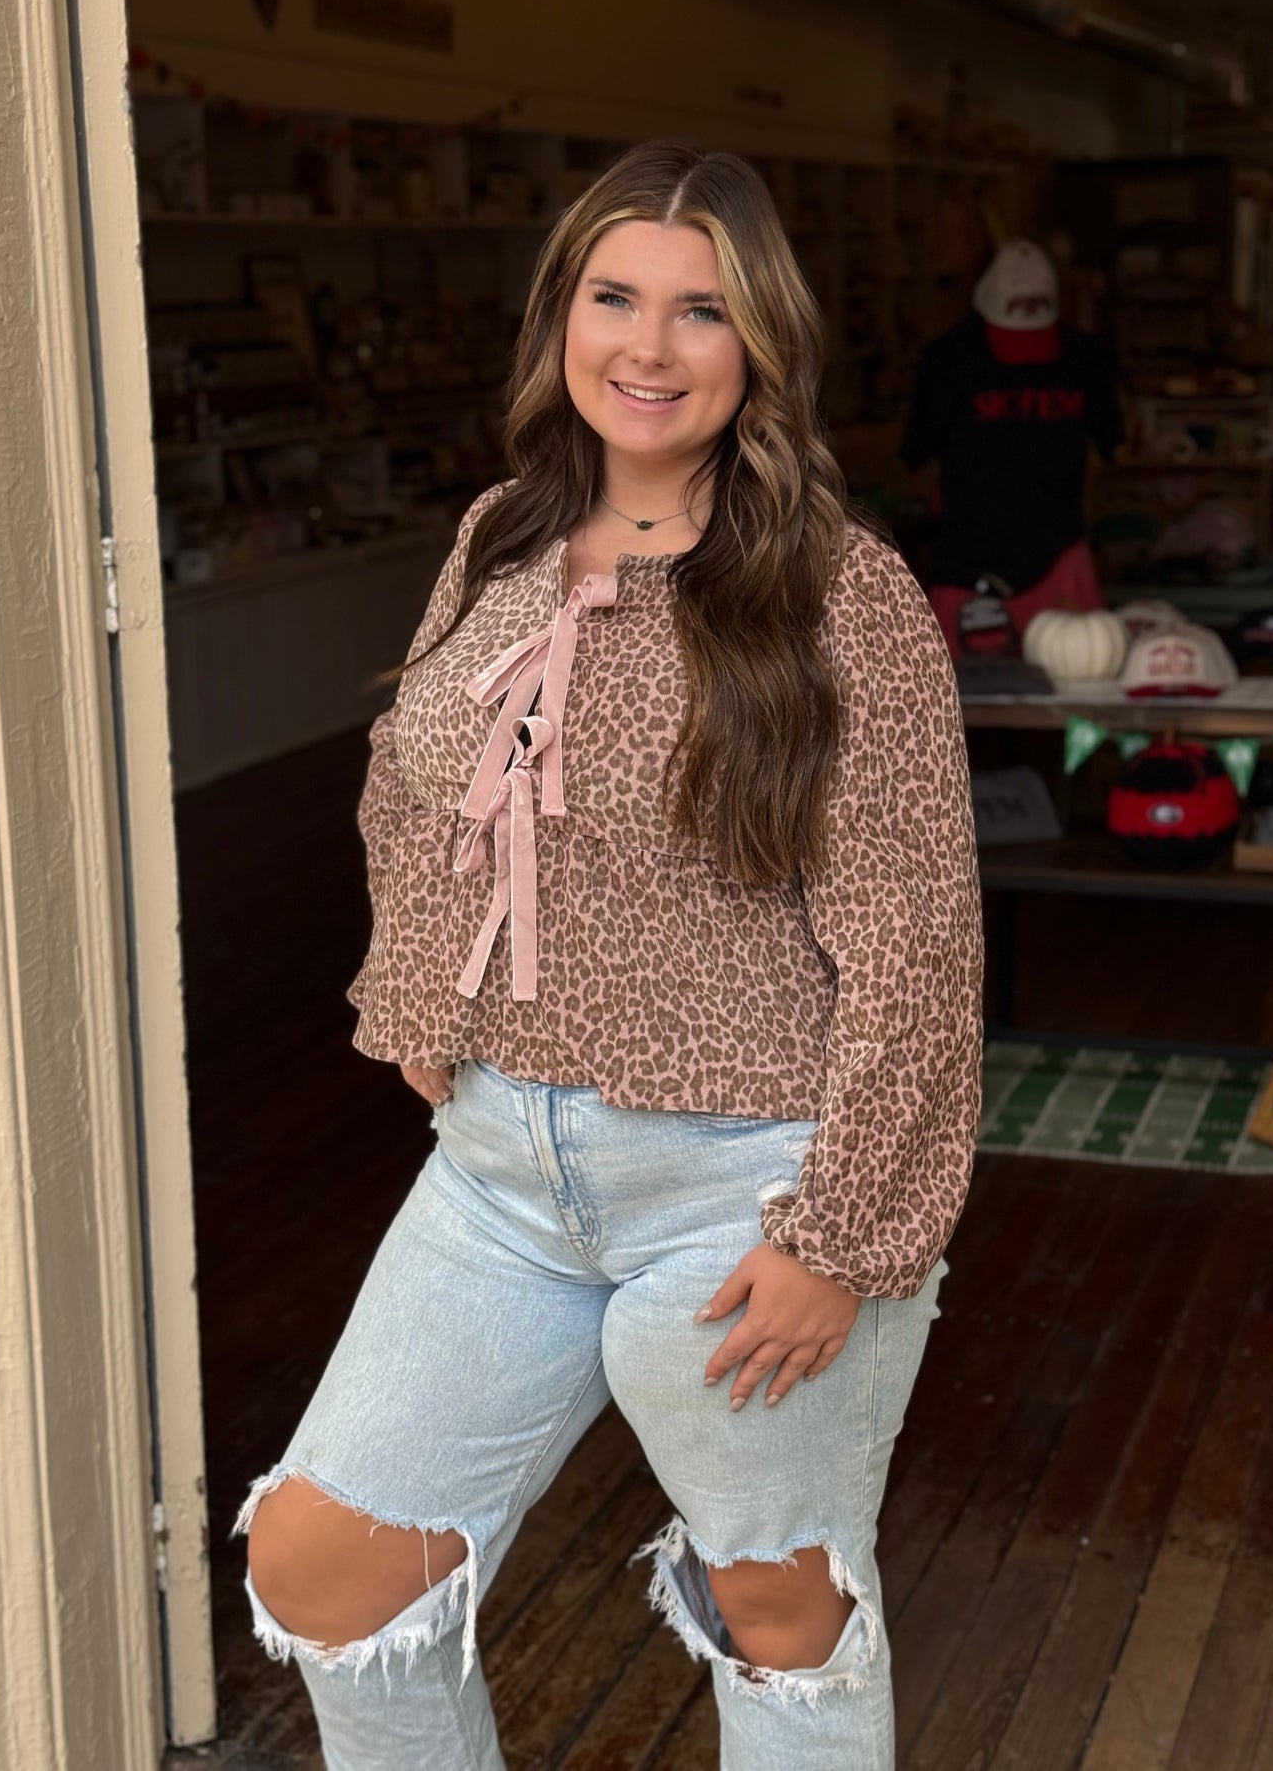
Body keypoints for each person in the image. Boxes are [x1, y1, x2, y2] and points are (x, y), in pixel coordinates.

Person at [232, 141, 983, 1771]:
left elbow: (917, 943)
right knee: (324, 1562)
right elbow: (415, 775)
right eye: (614, 295)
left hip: (749, 1190)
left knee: (776, 1609)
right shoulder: (506, 530)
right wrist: (419, 979)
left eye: (702, 309)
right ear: (560, 314)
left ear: (763, 343)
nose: (647, 349)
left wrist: (843, 1233)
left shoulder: (840, 592)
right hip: (501, 1171)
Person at [900, 238, 1124, 656]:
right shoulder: (948, 362)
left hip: (1058, 565)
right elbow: (915, 458)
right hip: (969, 567)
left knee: (1076, 673)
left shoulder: (1086, 360)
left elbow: (1112, 453)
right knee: (956, 706)